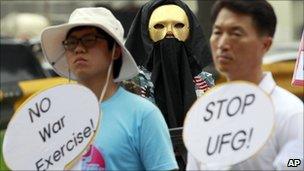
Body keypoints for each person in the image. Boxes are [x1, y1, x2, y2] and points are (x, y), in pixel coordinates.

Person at [40, 7, 178, 170]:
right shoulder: (53, 119)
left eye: (89, 39)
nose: (78, 49)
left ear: (115, 51)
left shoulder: (143, 115)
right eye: (71, 43)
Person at [187, 0, 303, 170]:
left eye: (236, 33)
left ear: (265, 44)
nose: (222, 44)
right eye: (218, 32)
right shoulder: (205, 113)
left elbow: (298, 162)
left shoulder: (290, 113)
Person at [124, 0, 214, 169]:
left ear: (190, 30)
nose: (170, 33)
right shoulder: (131, 83)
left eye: (178, 25)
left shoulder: (204, 81)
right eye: (160, 26)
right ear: (146, 31)